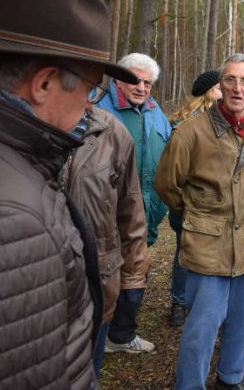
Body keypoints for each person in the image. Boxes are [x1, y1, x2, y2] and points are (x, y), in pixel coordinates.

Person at [0, 0, 138, 388]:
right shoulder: (10, 217)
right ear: (44, 83)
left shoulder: (5, 161)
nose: (90, 103)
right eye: (89, 87)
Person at [154, 53, 244, 390]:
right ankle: (190, 385)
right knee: (202, 327)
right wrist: (198, 213)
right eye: (230, 80)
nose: (237, 88)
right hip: (209, 245)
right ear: (219, 86)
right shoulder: (190, 133)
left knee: (242, 320)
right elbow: (166, 184)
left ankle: (230, 378)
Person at [97, 52, 171, 354]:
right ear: (118, 79)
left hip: (145, 212)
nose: (141, 87)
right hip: (106, 211)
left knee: (135, 272)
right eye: (135, 80)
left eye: (148, 83)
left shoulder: (156, 112)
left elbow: (168, 155)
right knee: (104, 275)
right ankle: (95, 339)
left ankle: (122, 335)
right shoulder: (98, 108)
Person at [66, 106, 149, 374]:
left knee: (89, 371)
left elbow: (130, 208)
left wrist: (133, 276)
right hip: (32, 286)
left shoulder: (112, 132)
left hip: (98, 279)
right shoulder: (5, 124)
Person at [167, 69, 222, 327]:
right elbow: (171, 173)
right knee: (184, 254)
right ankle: (179, 302)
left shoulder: (223, 122)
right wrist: (183, 206)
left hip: (214, 208)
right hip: (189, 205)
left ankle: (197, 303)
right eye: (221, 87)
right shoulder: (185, 126)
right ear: (210, 92)